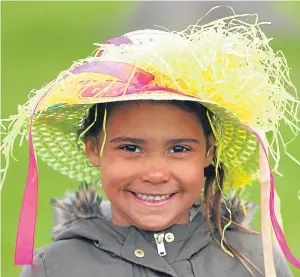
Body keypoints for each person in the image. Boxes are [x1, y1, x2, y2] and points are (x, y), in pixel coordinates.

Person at [1, 10, 299, 277]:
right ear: (93, 147)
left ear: (210, 151)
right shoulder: (56, 267)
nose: (155, 173)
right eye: (130, 148)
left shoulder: (254, 261)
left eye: (179, 149)